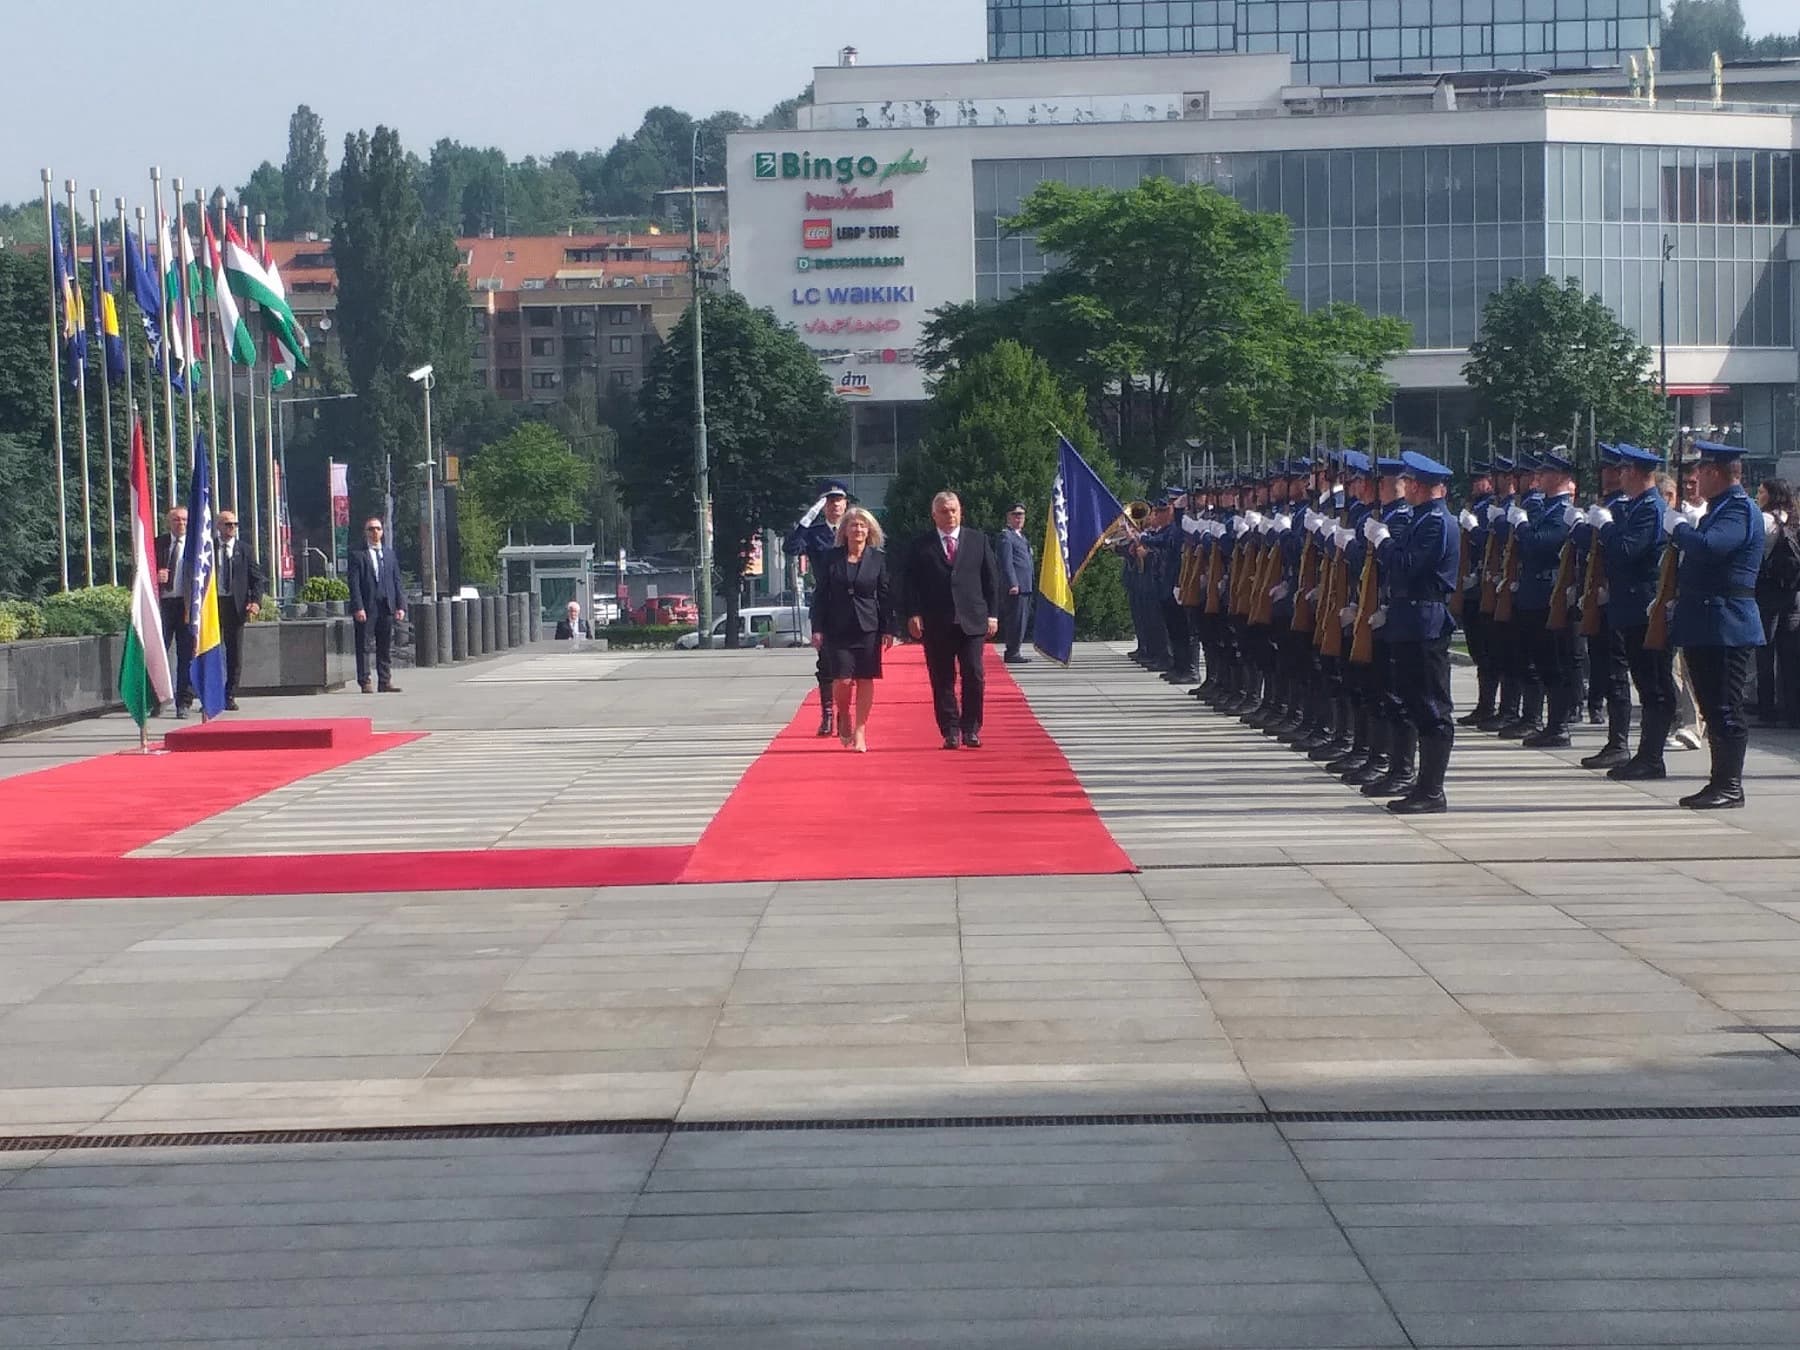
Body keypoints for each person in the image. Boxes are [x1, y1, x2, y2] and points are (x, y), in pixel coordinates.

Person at [1666, 440, 1766, 808]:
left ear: (1714, 473)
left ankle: (1730, 785)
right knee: (1712, 705)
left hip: (1727, 623)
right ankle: (1719, 781)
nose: (1695, 480)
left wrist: (1679, 529)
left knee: (1725, 707)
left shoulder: (1737, 510)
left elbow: (1710, 547)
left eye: (1700, 473)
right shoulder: (1721, 508)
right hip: (1709, 621)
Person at [1365, 451, 1460, 814]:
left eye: (1410, 483)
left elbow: (1408, 566)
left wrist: (1383, 541)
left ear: (1419, 486)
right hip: (1409, 620)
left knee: (1432, 706)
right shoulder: (1422, 519)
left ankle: (1432, 790)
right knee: (1414, 702)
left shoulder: (1436, 522)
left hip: (1426, 621)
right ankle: (1422, 786)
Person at [1591, 444, 1679, 781]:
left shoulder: (1650, 509)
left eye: (1624, 470)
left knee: (1655, 685)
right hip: (1630, 608)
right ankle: (1646, 755)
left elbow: (1627, 550)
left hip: (1645, 611)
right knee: (1646, 684)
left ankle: (1651, 757)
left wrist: (1608, 527)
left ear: (1639, 474)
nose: (1618, 475)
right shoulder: (1636, 507)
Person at [899, 490, 1001, 749]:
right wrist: (912, 613)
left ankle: (971, 728)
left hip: (972, 620)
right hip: (937, 621)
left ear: (960, 511)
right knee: (942, 677)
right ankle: (950, 730)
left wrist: (993, 614)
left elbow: (991, 580)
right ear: (934, 515)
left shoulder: (978, 541)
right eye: (944, 511)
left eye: (954, 510)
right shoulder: (921, 546)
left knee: (974, 674)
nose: (950, 515)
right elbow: (909, 584)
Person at [810, 507, 897, 752]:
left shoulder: (877, 558)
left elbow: (885, 595)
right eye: (853, 525)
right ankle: (844, 713)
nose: (857, 529)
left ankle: (860, 730)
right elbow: (820, 595)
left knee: (866, 678)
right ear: (845, 530)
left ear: (869, 530)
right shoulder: (831, 558)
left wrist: (889, 627)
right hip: (836, 627)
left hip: (868, 626)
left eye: (862, 525)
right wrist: (817, 627)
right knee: (843, 679)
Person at [786, 480, 851, 736]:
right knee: (825, 662)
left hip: (853, 602)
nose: (835, 505)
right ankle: (827, 715)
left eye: (839, 500)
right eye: (829, 501)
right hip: (825, 603)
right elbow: (790, 547)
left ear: (846, 503)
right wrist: (809, 516)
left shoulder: (855, 529)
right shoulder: (815, 533)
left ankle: (844, 713)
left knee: (850, 664)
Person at [1753, 478, 1800, 728]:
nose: (1758, 495)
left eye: (1761, 492)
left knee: (1765, 652)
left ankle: (1766, 709)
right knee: (1789, 655)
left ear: (1771, 495)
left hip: (1768, 593)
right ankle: (1792, 709)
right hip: (1792, 594)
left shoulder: (1763, 520)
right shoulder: (1795, 519)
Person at [213, 510, 265, 712]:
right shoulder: (208, 547)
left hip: (236, 606)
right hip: (214, 605)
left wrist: (256, 602)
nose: (231, 528)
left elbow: (257, 579)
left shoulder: (245, 550)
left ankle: (230, 694)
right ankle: (212, 695)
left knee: (234, 653)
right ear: (218, 526)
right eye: (227, 524)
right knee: (211, 651)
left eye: (234, 524)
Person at [347, 517, 406, 694]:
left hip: (386, 605)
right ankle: (365, 681)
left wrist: (401, 605)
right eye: (371, 529)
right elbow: (354, 583)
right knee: (364, 644)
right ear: (366, 532)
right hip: (367, 606)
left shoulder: (389, 554)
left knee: (385, 644)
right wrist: (358, 606)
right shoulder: (357, 554)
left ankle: (385, 681)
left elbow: (397, 581)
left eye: (378, 529)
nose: (375, 532)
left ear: (382, 531)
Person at [153, 505, 195, 717]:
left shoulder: (197, 545)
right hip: (164, 605)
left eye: (185, 520)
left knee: (186, 655)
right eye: (177, 520)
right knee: (158, 652)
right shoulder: (157, 544)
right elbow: (141, 573)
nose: (181, 524)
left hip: (187, 605)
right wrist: (156, 577)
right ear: (169, 522)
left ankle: (184, 702)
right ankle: (158, 699)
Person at [996, 502, 1036, 663]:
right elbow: (1006, 562)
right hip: (1016, 587)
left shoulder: (1021, 537)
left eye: (1021, 515)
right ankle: (1012, 652)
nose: (1019, 518)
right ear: (1008, 517)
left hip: (1025, 585)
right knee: (1015, 620)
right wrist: (1012, 583)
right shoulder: (1006, 536)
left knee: (1022, 620)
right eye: (1015, 515)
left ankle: (1015, 650)